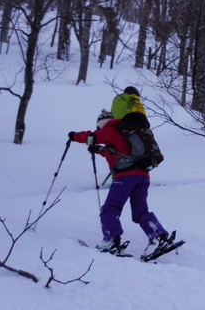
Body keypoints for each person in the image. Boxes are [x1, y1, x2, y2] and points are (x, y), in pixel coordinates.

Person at [68, 110, 173, 256]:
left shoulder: (110, 130)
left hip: (125, 177)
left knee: (110, 208)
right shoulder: (125, 132)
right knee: (140, 211)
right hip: (143, 176)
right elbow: (118, 152)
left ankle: (111, 241)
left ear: (100, 124)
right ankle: (158, 236)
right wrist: (99, 150)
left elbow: (90, 137)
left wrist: (74, 136)